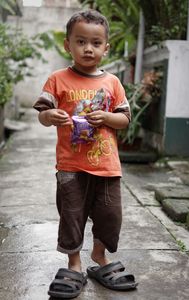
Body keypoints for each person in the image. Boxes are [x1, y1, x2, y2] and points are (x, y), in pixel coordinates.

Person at [33, 9, 138, 299]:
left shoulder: (113, 83)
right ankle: (74, 263)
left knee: (109, 215)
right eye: (80, 41)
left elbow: (125, 119)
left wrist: (105, 117)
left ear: (106, 47)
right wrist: (50, 116)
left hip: (106, 165)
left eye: (95, 42)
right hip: (71, 165)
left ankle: (99, 255)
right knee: (72, 216)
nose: (88, 48)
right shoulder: (58, 79)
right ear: (68, 45)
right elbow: (43, 113)